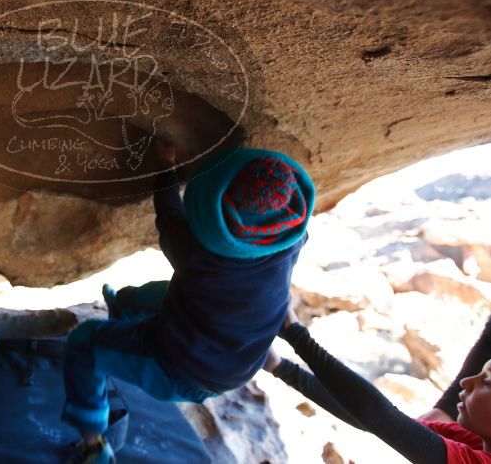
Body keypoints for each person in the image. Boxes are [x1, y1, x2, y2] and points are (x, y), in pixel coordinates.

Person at [61, 141, 316, 463]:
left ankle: (92, 443)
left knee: (84, 343)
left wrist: (165, 162)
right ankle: (123, 314)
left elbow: (168, 212)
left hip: (179, 371)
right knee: (147, 296)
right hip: (240, 359)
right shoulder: (291, 241)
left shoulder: (196, 254)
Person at [264, 306, 491, 463]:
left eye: (486, 383)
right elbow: (375, 422)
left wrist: (297, 336)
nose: (467, 382)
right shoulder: (475, 440)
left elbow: (379, 416)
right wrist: (281, 367)